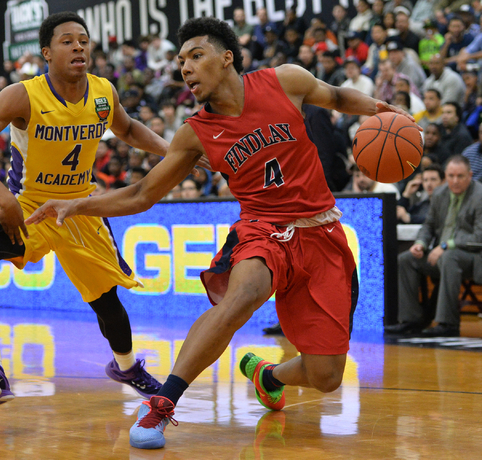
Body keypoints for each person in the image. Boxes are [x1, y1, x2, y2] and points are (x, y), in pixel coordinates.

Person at [25, 17, 414, 450]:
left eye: (195, 56)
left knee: (326, 378)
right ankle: (161, 404)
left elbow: (338, 96)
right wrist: (78, 204)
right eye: (180, 61)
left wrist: (380, 109)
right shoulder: (195, 134)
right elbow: (141, 193)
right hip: (262, 230)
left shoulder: (286, 80)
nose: (185, 69)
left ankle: (268, 375)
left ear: (226, 57)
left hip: (321, 231)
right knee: (241, 296)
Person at [0, 12, 167, 407]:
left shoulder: (103, 93)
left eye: (83, 40)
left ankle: (127, 366)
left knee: (109, 306)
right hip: (30, 205)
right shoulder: (23, 95)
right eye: (67, 41)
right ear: (47, 53)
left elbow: (129, 129)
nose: (79, 46)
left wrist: (174, 152)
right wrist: (5, 199)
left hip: (80, 207)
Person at [387, 155, 482, 337]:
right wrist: (420, 244)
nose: (455, 181)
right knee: (406, 259)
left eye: (460, 176)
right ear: (446, 176)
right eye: (451, 176)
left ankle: (448, 324)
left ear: (470, 175)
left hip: (474, 257)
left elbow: (479, 236)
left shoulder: (479, 195)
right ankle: (411, 320)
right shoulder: (439, 193)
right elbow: (428, 225)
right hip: (441, 256)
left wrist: (445, 246)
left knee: (449, 257)